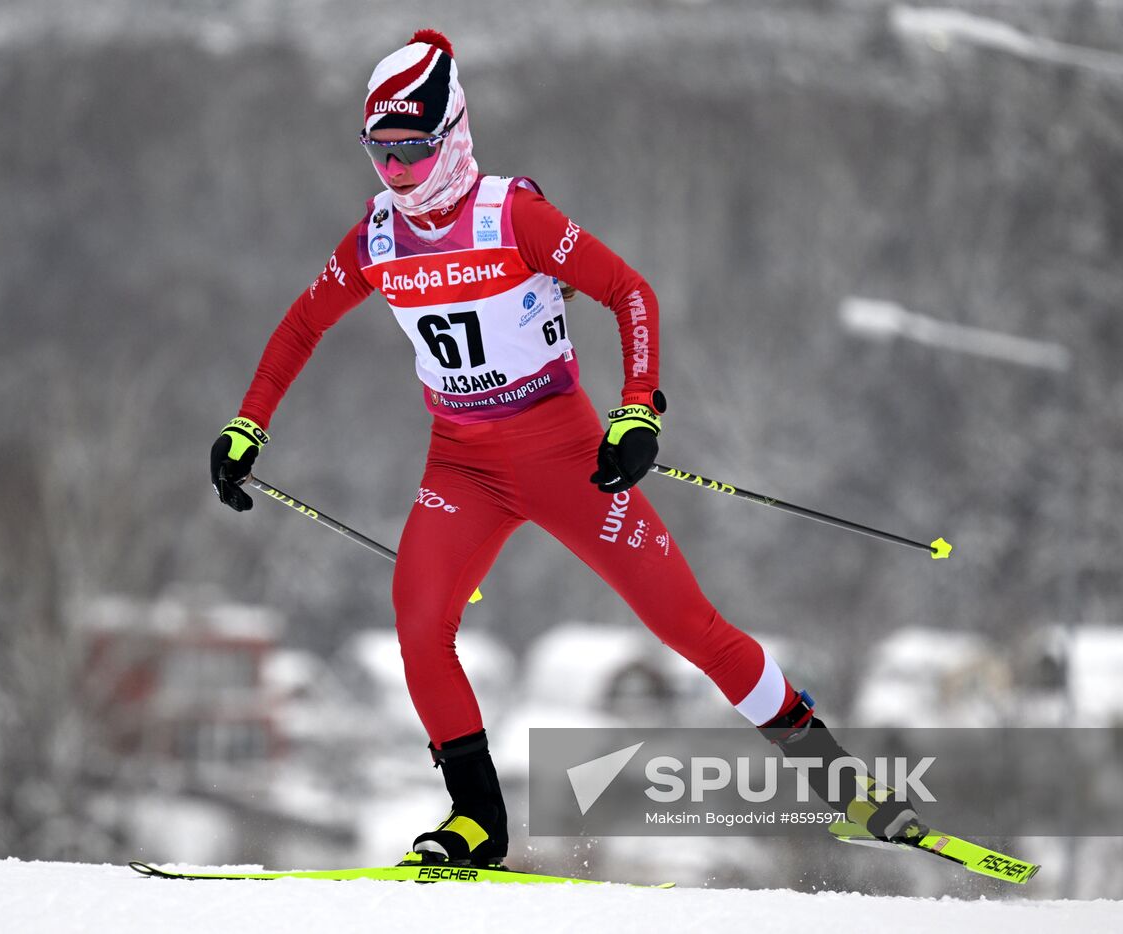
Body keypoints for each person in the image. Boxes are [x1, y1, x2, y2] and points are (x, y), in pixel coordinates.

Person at [210, 29, 916, 867]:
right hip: (461, 466)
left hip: (565, 455)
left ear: (454, 134)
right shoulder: (377, 241)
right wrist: (247, 424)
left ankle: (837, 780)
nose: (396, 174)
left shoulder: (514, 216)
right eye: (381, 155)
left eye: (412, 152)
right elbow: (301, 326)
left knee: (687, 626)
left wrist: (637, 412)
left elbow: (631, 293)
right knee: (419, 622)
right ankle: (476, 819)